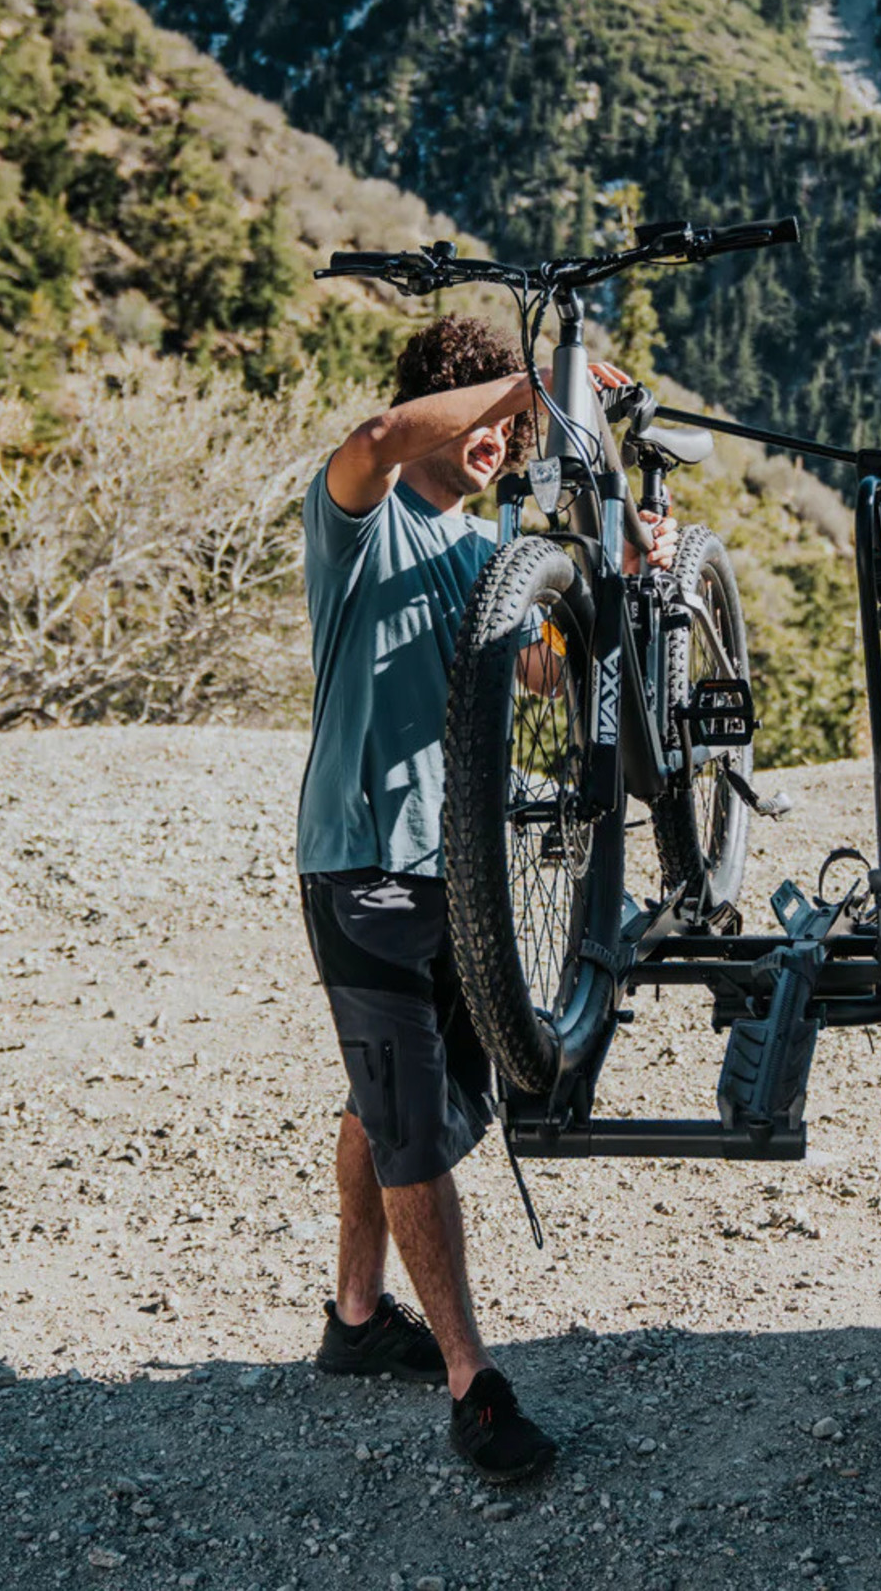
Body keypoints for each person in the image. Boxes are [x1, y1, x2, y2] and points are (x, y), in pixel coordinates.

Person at [296, 314, 678, 1483]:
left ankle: (357, 1319)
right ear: (437, 405)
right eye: (485, 418)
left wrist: (619, 572)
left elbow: (538, 662)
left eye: (511, 431)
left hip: (453, 873)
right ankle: (473, 1380)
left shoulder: (475, 554)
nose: (498, 442)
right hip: (359, 865)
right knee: (418, 1126)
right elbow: (373, 433)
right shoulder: (360, 513)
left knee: (396, 1097)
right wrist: (524, 379)